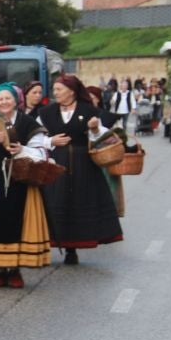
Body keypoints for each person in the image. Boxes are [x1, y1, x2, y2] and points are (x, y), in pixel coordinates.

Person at [33, 73, 122, 264]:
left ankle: (72, 248)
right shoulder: (47, 112)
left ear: (71, 92)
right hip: (56, 163)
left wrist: (95, 128)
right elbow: (34, 137)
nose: (55, 93)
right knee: (55, 202)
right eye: (55, 89)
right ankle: (50, 243)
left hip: (83, 166)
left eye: (59, 89)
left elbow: (103, 138)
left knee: (78, 203)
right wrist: (51, 141)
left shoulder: (88, 110)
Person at [0, 82, 53, 289]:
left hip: (21, 182)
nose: (4, 102)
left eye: (8, 98)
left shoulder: (28, 123)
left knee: (18, 221)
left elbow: (42, 154)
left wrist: (22, 150)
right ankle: (1, 270)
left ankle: (16, 270)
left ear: (16, 101)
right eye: (0, 99)